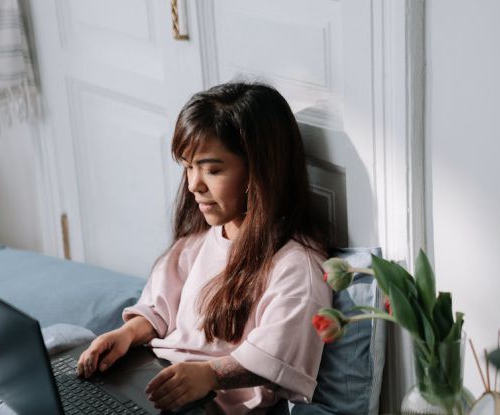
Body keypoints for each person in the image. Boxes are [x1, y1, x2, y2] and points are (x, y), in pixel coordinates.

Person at [76, 82, 332, 414]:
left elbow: (275, 357)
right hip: (153, 378)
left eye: (212, 170)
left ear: (261, 171)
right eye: (188, 167)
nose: (194, 185)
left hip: (209, 403)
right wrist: (126, 334)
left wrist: (209, 375)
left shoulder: (297, 265)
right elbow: (159, 310)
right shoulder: (195, 243)